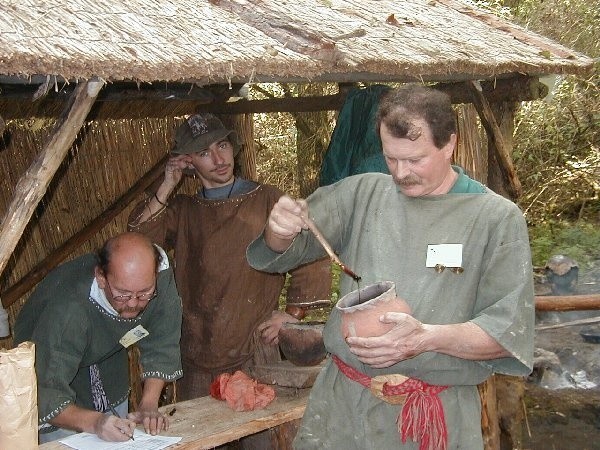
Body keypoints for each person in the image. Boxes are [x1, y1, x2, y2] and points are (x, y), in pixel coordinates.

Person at [246, 84, 535, 449]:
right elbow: (280, 250)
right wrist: (279, 229)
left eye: (415, 160)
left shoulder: (495, 218)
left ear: (449, 144)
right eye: (391, 158)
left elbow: (507, 334)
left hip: (431, 417)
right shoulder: (362, 193)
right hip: (342, 410)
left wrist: (425, 339)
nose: (401, 173)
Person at [128, 113, 331, 401]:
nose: (218, 158)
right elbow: (137, 238)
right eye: (203, 153)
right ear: (188, 162)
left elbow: (311, 252)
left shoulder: (267, 200)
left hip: (254, 349)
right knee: (204, 437)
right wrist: (168, 183)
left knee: (261, 437)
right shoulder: (184, 211)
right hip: (196, 354)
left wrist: (292, 314)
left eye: (222, 146)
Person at [14, 232, 182, 444]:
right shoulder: (67, 311)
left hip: (107, 354)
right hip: (48, 356)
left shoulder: (159, 276)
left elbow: (163, 341)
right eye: (123, 294)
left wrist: (148, 405)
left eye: (144, 294)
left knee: (115, 433)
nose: (133, 304)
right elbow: (45, 390)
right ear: (101, 278)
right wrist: (95, 423)